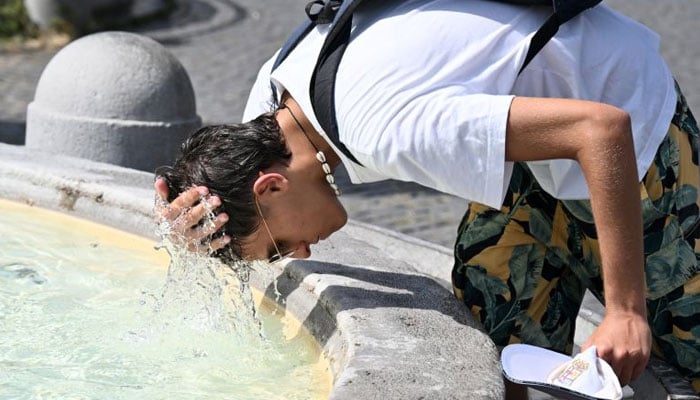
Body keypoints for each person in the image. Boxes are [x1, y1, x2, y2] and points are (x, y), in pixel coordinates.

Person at [154, 0, 700, 396]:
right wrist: (184, 226)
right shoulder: (275, 99)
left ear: (272, 186)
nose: (300, 253)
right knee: (496, 338)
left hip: (632, 140)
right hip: (529, 155)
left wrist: (627, 311)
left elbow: (601, 133)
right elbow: (220, 178)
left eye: (277, 247)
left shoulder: (385, 128)